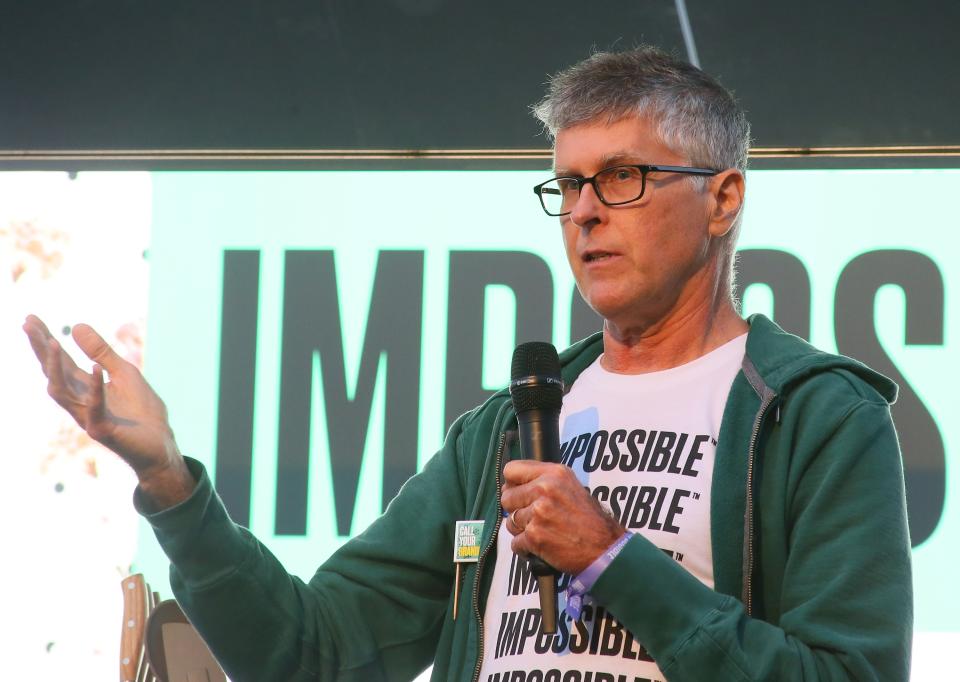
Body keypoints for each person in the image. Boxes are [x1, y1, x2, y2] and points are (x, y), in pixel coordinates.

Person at [24, 46, 912, 681]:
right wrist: (173, 486)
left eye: (622, 178)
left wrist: (610, 558)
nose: (585, 213)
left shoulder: (817, 416)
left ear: (722, 197)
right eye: (566, 185)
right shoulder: (505, 427)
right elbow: (313, 652)